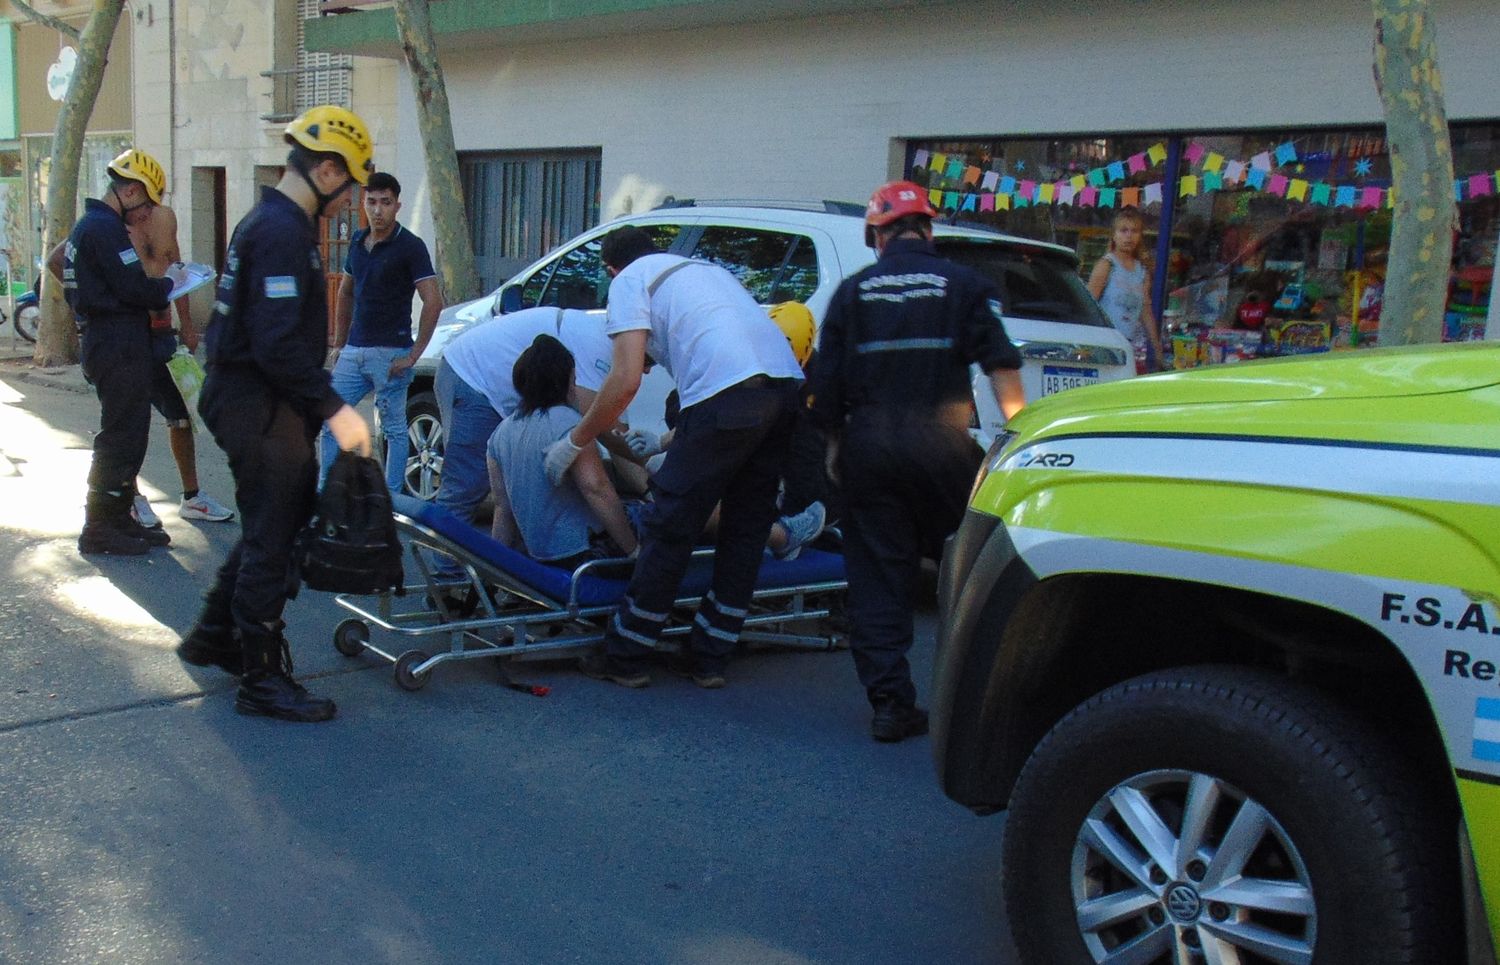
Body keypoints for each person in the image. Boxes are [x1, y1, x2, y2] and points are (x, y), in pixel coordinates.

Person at [177, 105, 376, 723]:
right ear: (325, 171)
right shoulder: (283, 232)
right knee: (274, 537)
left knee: (274, 523)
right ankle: (261, 679)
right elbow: (278, 345)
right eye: (352, 187)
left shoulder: (268, 222)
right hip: (260, 406)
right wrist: (339, 412)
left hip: (255, 400)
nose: (353, 203)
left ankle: (217, 635)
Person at [808, 180, 1025, 743]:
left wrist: (836, 449)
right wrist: (1021, 438)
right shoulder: (963, 284)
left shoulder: (853, 294)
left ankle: (890, 706)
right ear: (928, 229)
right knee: (975, 571)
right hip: (946, 449)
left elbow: (826, 389)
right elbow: (1002, 369)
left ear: (877, 236)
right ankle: (991, 701)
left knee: (879, 582)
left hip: (871, 450)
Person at [553, 225, 803, 690]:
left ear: (612, 269)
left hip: (725, 400)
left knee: (671, 523)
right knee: (746, 528)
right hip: (784, 390)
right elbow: (728, 372)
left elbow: (626, 378)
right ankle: (709, 656)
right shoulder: (704, 271)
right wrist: (667, 442)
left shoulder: (629, 281)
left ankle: (626, 654)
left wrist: (577, 438)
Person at [58, 148, 176, 556]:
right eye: (145, 206)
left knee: (131, 433)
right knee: (120, 436)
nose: (147, 217)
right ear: (127, 191)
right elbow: (133, 288)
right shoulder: (103, 229)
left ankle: (118, 516)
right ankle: (99, 527)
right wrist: (169, 285)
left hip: (113, 340)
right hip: (114, 342)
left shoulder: (93, 227)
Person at [433, 306, 619, 551]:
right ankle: (448, 581)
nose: (646, 371)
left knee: (506, 498)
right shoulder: (594, 352)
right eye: (646, 363)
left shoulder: (506, 434)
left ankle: (506, 572)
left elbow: (504, 507)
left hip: (486, 376)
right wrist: (634, 547)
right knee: (464, 490)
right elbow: (599, 472)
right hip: (471, 376)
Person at [319, 171, 442, 495]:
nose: (377, 210)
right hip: (354, 351)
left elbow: (433, 301)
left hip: (391, 355)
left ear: (397, 206)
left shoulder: (410, 247)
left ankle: (390, 502)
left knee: (394, 430)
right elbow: (345, 292)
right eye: (371, 202)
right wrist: (338, 343)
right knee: (331, 420)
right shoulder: (358, 242)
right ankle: (326, 495)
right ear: (364, 202)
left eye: (385, 203)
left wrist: (414, 354)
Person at [124, 201, 236, 530]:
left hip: (161, 335)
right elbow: (61, 260)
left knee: (181, 417)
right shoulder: (110, 224)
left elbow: (174, 270)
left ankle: (192, 497)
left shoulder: (164, 217)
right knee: (131, 422)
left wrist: (186, 324)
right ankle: (132, 497)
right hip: (128, 338)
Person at [487, 334, 639, 568]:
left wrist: (494, 572)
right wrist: (634, 551)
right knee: (661, 516)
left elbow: (503, 509)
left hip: (541, 558)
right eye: (574, 380)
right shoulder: (570, 424)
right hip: (586, 556)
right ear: (564, 382)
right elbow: (596, 489)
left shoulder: (500, 433)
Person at [1087, 207, 1162, 371]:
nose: (1129, 236)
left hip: (1129, 345)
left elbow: (1145, 310)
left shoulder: (1142, 270)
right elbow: (1089, 305)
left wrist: (1156, 348)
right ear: (1114, 235)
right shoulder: (1107, 265)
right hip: (1104, 343)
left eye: (1134, 231)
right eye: (1123, 230)